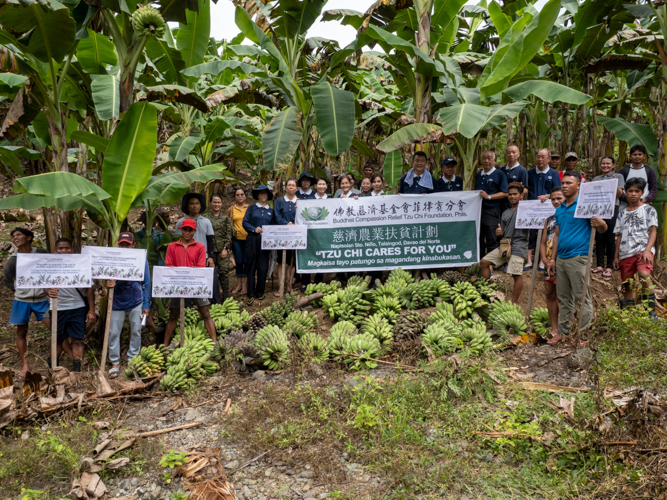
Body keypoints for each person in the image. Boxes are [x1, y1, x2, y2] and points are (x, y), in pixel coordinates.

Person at [546, 172, 607, 345]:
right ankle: (563, 333)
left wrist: (601, 224)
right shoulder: (559, 208)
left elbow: (602, 228)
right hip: (561, 258)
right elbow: (556, 235)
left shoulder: (585, 205)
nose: (564, 186)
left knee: (582, 297)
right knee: (564, 297)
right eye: (563, 183)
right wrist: (552, 259)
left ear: (579, 185)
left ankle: (583, 334)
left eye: (569, 183)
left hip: (579, 257)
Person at [162, 219, 217, 346]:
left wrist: (187, 271)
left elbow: (200, 267)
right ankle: (165, 344)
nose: (187, 232)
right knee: (173, 315)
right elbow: (169, 265)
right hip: (177, 284)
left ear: (194, 231)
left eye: (190, 230)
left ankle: (215, 342)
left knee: (205, 312)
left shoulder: (200, 247)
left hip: (196, 284)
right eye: (185, 229)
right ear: (181, 230)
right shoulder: (172, 246)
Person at [3, 228, 50, 376]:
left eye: (18, 235)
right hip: (22, 301)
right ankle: (25, 364)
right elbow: (7, 279)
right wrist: (19, 290)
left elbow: (53, 268)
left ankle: (55, 358)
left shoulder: (42, 253)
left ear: (29, 237)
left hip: (42, 300)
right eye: (13, 236)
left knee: (54, 328)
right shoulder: (13, 260)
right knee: (21, 332)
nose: (15, 238)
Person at [46, 238, 96, 372]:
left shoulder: (80, 265)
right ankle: (53, 372)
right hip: (58, 307)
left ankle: (77, 372)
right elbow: (43, 284)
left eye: (67, 248)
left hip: (77, 307)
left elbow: (89, 288)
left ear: (72, 250)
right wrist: (48, 291)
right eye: (60, 248)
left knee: (77, 340)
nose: (64, 251)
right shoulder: (48, 266)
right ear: (55, 251)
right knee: (56, 341)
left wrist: (91, 310)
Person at [106, 232, 151, 379]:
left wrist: (146, 303)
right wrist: (109, 283)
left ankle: (133, 358)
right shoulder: (111, 260)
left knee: (136, 329)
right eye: (122, 244)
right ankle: (115, 362)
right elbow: (105, 279)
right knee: (114, 331)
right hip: (117, 300)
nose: (125, 246)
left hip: (135, 298)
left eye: (127, 244)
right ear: (118, 245)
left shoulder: (141, 259)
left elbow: (146, 283)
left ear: (133, 245)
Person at [614, 177, 659, 316]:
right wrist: (615, 256)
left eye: (637, 191)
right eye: (630, 191)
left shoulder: (649, 210)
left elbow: (653, 231)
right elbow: (619, 235)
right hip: (625, 251)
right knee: (628, 283)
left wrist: (647, 250)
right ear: (625, 192)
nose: (633, 194)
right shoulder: (622, 213)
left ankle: (651, 312)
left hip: (643, 250)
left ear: (642, 193)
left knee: (644, 274)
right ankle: (629, 315)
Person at [479, 183, 529, 303]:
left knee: (516, 274)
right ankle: (487, 291)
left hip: (518, 244)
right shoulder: (506, 212)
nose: (512, 196)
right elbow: (502, 232)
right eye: (510, 194)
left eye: (515, 194)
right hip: (505, 244)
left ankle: (513, 303)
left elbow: (538, 207)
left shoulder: (526, 208)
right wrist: (499, 232)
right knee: (484, 262)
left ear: (521, 195)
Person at [175, 193, 217, 300]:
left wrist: (211, 257)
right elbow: (177, 240)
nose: (195, 206)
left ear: (200, 205)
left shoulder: (206, 221)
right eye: (192, 204)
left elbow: (210, 240)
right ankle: (190, 305)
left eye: (197, 203)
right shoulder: (181, 222)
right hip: (187, 257)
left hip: (204, 256)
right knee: (189, 283)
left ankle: (214, 304)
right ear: (187, 206)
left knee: (209, 281)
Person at [525, 148, 561, 270]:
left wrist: (548, 196)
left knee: (546, 233)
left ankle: (542, 260)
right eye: (538, 157)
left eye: (543, 157)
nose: (540, 159)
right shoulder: (529, 173)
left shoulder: (554, 173)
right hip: (532, 210)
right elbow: (525, 189)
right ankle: (529, 260)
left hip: (547, 210)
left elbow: (558, 191)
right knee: (531, 234)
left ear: (549, 159)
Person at [592, 156, 624, 278]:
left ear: (613, 165)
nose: (605, 166)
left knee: (610, 237)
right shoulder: (596, 178)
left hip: (612, 208)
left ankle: (609, 266)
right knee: (599, 237)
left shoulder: (618, 176)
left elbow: (620, 194)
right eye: (603, 163)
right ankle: (600, 265)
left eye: (608, 163)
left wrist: (613, 183)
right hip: (598, 208)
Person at [539, 187, 565, 339]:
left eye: (559, 198)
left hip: (562, 259)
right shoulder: (549, 219)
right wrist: (544, 258)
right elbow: (543, 241)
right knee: (550, 292)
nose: (556, 201)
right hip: (548, 261)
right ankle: (554, 328)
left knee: (564, 295)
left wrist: (554, 260)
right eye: (553, 199)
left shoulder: (569, 215)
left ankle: (565, 327)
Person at [243, 185, 275, 305]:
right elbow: (244, 222)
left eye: (265, 193)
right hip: (252, 239)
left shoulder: (270, 211)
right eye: (261, 193)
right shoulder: (251, 208)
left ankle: (260, 292)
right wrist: (253, 229)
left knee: (263, 267)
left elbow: (273, 226)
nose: (263, 195)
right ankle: (250, 293)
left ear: (268, 196)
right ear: (257, 195)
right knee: (251, 266)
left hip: (265, 242)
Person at [475, 150, 508, 256]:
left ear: (494, 160)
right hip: (479, 211)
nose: (486, 161)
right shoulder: (478, 175)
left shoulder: (499, 174)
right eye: (484, 158)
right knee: (479, 237)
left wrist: (489, 197)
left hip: (492, 210)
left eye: (489, 158)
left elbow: (505, 193)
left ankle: (491, 264)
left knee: (492, 237)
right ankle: (479, 263)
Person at [206, 194, 233, 301]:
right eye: (214, 202)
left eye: (219, 202)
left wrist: (225, 248)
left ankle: (226, 297)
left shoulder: (225, 218)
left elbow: (229, 234)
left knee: (224, 274)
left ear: (221, 204)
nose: (217, 204)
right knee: (210, 274)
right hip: (210, 251)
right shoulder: (206, 218)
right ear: (210, 203)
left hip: (222, 250)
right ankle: (211, 298)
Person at [274, 178, 298, 296]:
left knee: (292, 261)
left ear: (296, 188)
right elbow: (277, 216)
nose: (291, 187)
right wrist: (286, 223)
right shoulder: (279, 201)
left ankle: (289, 286)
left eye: (293, 185)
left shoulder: (299, 201)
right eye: (289, 185)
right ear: (285, 188)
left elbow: (304, 216)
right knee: (281, 261)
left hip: (296, 234)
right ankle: (280, 287)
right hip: (282, 234)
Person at [228, 187, 249, 295]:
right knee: (239, 262)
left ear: (245, 196)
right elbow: (228, 224)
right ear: (235, 197)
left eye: (242, 194)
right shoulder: (231, 209)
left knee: (246, 262)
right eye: (237, 195)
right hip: (236, 240)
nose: (240, 196)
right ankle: (239, 285)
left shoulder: (250, 208)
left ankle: (245, 286)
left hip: (248, 239)